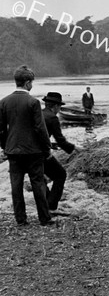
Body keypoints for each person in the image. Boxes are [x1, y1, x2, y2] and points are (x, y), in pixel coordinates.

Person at [0, 65, 54, 226]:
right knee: (38, 183)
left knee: (15, 185)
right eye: (32, 82)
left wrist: (5, 147)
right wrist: (47, 149)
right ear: (27, 82)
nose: (32, 85)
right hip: (33, 151)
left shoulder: (3, 102)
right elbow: (40, 128)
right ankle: (44, 218)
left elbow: (0, 130)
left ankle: (21, 219)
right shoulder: (33, 102)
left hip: (13, 150)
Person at [42, 92, 81, 212]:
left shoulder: (38, 114)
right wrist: (74, 148)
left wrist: (51, 145)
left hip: (28, 152)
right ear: (55, 106)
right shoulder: (53, 118)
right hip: (41, 153)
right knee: (60, 175)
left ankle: (45, 204)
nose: (59, 110)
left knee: (38, 177)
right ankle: (52, 207)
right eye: (59, 107)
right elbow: (60, 140)